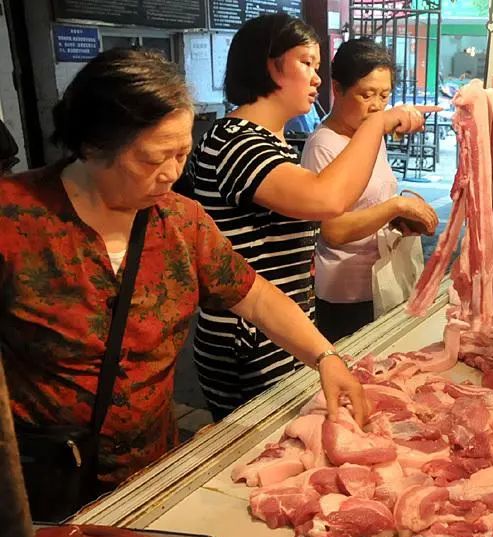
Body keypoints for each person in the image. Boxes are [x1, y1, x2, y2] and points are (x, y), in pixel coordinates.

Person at [0, 49, 367, 498]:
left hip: (150, 472)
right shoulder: (14, 218)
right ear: (94, 146)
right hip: (41, 482)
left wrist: (325, 357)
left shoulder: (179, 221)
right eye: (153, 159)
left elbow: (254, 296)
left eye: (182, 154)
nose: (172, 174)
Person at [187, 14, 435, 419]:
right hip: (249, 338)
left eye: (318, 66)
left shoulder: (270, 142)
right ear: (270, 65)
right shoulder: (235, 141)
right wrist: (378, 123)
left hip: (281, 330)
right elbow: (328, 200)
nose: (317, 78)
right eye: (306, 63)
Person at [301, 38, 438, 342]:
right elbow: (333, 230)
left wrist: (399, 219)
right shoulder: (323, 145)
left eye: (384, 96)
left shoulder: (369, 133)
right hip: (346, 293)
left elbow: (370, 202)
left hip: (383, 280)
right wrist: (395, 207)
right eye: (366, 94)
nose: (377, 106)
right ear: (338, 89)